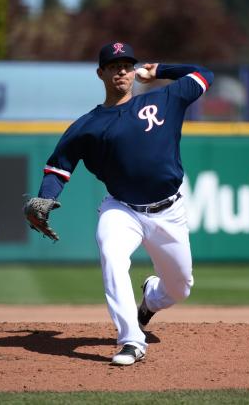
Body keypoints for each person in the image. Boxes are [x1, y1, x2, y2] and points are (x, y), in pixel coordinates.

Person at [31, 42, 213, 365]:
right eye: (114, 66)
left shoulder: (165, 98)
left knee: (180, 288)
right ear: (100, 73)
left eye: (127, 65)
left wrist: (161, 70)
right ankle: (131, 339)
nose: (122, 71)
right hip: (122, 208)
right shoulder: (87, 126)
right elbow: (57, 168)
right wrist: (46, 198)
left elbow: (204, 74)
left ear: (134, 70)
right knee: (111, 251)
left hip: (169, 212)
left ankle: (150, 300)